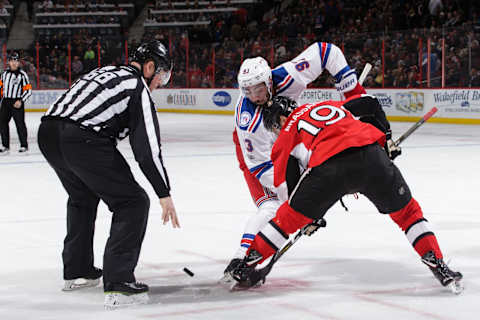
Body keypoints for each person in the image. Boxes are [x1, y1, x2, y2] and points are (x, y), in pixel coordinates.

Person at [230, 95, 463, 294]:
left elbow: (287, 191)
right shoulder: (330, 105)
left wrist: (306, 216)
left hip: (329, 170)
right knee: (408, 213)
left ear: (281, 119)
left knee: (286, 219)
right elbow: (370, 104)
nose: (275, 131)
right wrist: (386, 138)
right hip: (372, 157)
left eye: (274, 126)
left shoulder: (286, 134)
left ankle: (247, 263)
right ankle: (438, 263)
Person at [223, 42, 401, 281]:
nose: (254, 96)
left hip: (289, 136)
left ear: (269, 81)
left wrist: (351, 92)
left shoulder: (286, 77)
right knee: (272, 206)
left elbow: (327, 52)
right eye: (248, 91)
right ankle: (240, 258)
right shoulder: (248, 122)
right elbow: (261, 168)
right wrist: (302, 202)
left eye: (258, 89)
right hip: (259, 157)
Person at [37, 40, 180, 308]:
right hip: (81, 137)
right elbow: (147, 150)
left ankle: (77, 271)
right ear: (149, 67)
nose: (161, 83)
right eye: (162, 75)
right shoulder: (138, 88)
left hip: (48, 132)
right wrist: (164, 192)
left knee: (82, 197)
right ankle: (119, 283)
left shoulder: (107, 71)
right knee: (133, 202)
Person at [0, 52, 32, 155]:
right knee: (2, 123)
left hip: (17, 102)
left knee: (20, 124)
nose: (14, 63)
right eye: (12, 61)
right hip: (6, 102)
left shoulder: (22, 75)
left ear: (18, 63)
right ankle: (5, 146)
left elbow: (28, 90)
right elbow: (1, 88)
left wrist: (21, 101)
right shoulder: (4, 74)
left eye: (16, 61)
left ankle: (24, 146)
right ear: (9, 62)